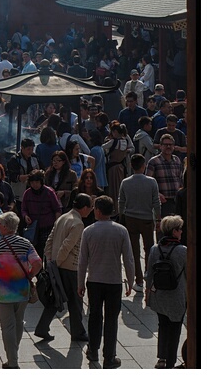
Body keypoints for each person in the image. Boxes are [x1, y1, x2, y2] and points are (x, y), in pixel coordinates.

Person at [77, 195, 135, 369]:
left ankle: (93, 350)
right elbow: (129, 259)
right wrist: (130, 281)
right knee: (111, 319)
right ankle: (109, 356)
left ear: (99, 211)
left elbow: (82, 261)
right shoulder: (121, 231)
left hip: (94, 280)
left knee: (94, 316)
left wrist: (80, 283)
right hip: (114, 281)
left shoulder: (89, 231)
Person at [34, 193, 93, 343]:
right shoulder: (78, 224)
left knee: (56, 298)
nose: (91, 210)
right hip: (70, 267)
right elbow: (67, 246)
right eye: (90, 207)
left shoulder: (63, 217)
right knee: (75, 301)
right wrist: (57, 263)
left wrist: (50, 261)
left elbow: (50, 240)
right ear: (85, 207)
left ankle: (42, 327)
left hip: (56, 264)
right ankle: (78, 332)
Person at [0, 211, 42, 369]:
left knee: (7, 326)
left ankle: (12, 362)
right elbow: (37, 263)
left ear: (6, 227)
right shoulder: (26, 243)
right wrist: (29, 275)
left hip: (3, 292)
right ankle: (14, 354)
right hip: (22, 290)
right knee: (18, 322)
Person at [145, 214, 187, 369]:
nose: (182, 232)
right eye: (180, 229)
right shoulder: (183, 251)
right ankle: (171, 361)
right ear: (174, 231)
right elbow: (189, 276)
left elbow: (149, 273)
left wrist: (148, 292)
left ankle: (161, 358)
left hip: (160, 296)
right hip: (177, 296)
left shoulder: (155, 249)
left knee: (162, 325)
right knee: (175, 328)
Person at [118, 153, 161, 293]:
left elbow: (121, 202)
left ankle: (138, 280)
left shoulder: (125, 182)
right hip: (147, 218)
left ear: (131, 165)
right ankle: (149, 274)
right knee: (149, 248)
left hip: (130, 218)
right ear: (144, 166)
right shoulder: (151, 182)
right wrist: (158, 218)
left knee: (134, 251)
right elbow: (156, 202)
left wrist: (121, 215)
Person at [20, 169, 61, 259]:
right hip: (33, 227)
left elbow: (57, 209)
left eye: (37, 182)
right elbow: (23, 209)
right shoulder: (27, 193)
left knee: (46, 251)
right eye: (32, 182)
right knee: (33, 251)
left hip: (47, 227)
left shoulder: (49, 192)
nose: (35, 184)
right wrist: (25, 216)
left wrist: (56, 224)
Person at [145, 134, 183, 220]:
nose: (168, 146)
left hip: (176, 201)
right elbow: (147, 182)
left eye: (171, 144)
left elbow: (180, 179)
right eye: (166, 144)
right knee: (163, 230)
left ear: (174, 146)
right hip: (162, 202)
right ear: (161, 146)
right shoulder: (153, 161)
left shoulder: (177, 160)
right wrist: (157, 194)